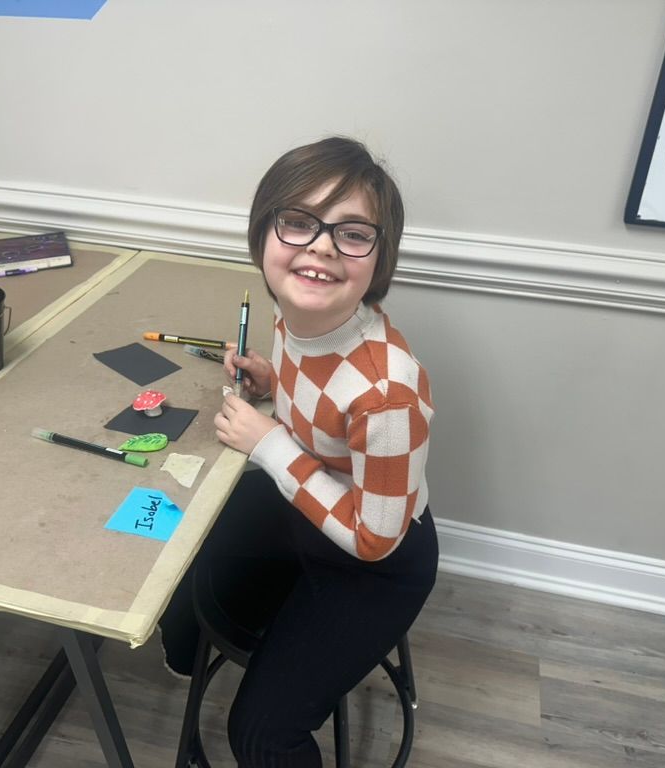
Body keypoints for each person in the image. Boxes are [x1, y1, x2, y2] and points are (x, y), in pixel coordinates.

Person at [159, 136, 438, 768]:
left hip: (374, 562)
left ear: (378, 258)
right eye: (298, 223)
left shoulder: (387, 390)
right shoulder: (298, 316)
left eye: (352, 233)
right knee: (183, 532)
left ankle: (194, 656)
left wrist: (270, 444)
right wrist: (271, 382)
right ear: (264, 234)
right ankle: (181, 653)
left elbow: (376, 538)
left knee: (259, 733)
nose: (319, 247)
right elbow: (317, 395)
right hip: (307, 510)